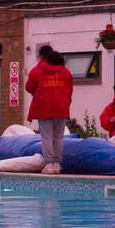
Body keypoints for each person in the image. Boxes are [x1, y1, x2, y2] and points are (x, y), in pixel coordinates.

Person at [24, 44, 73, 174]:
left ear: (41, 56)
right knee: (58, 137)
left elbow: (28, 87)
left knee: (46, 136)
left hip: (43, 108)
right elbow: (69, 90)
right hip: (61, 108)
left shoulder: (37, 70)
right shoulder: (65, 71)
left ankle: (49, 163)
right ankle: (57, 164)